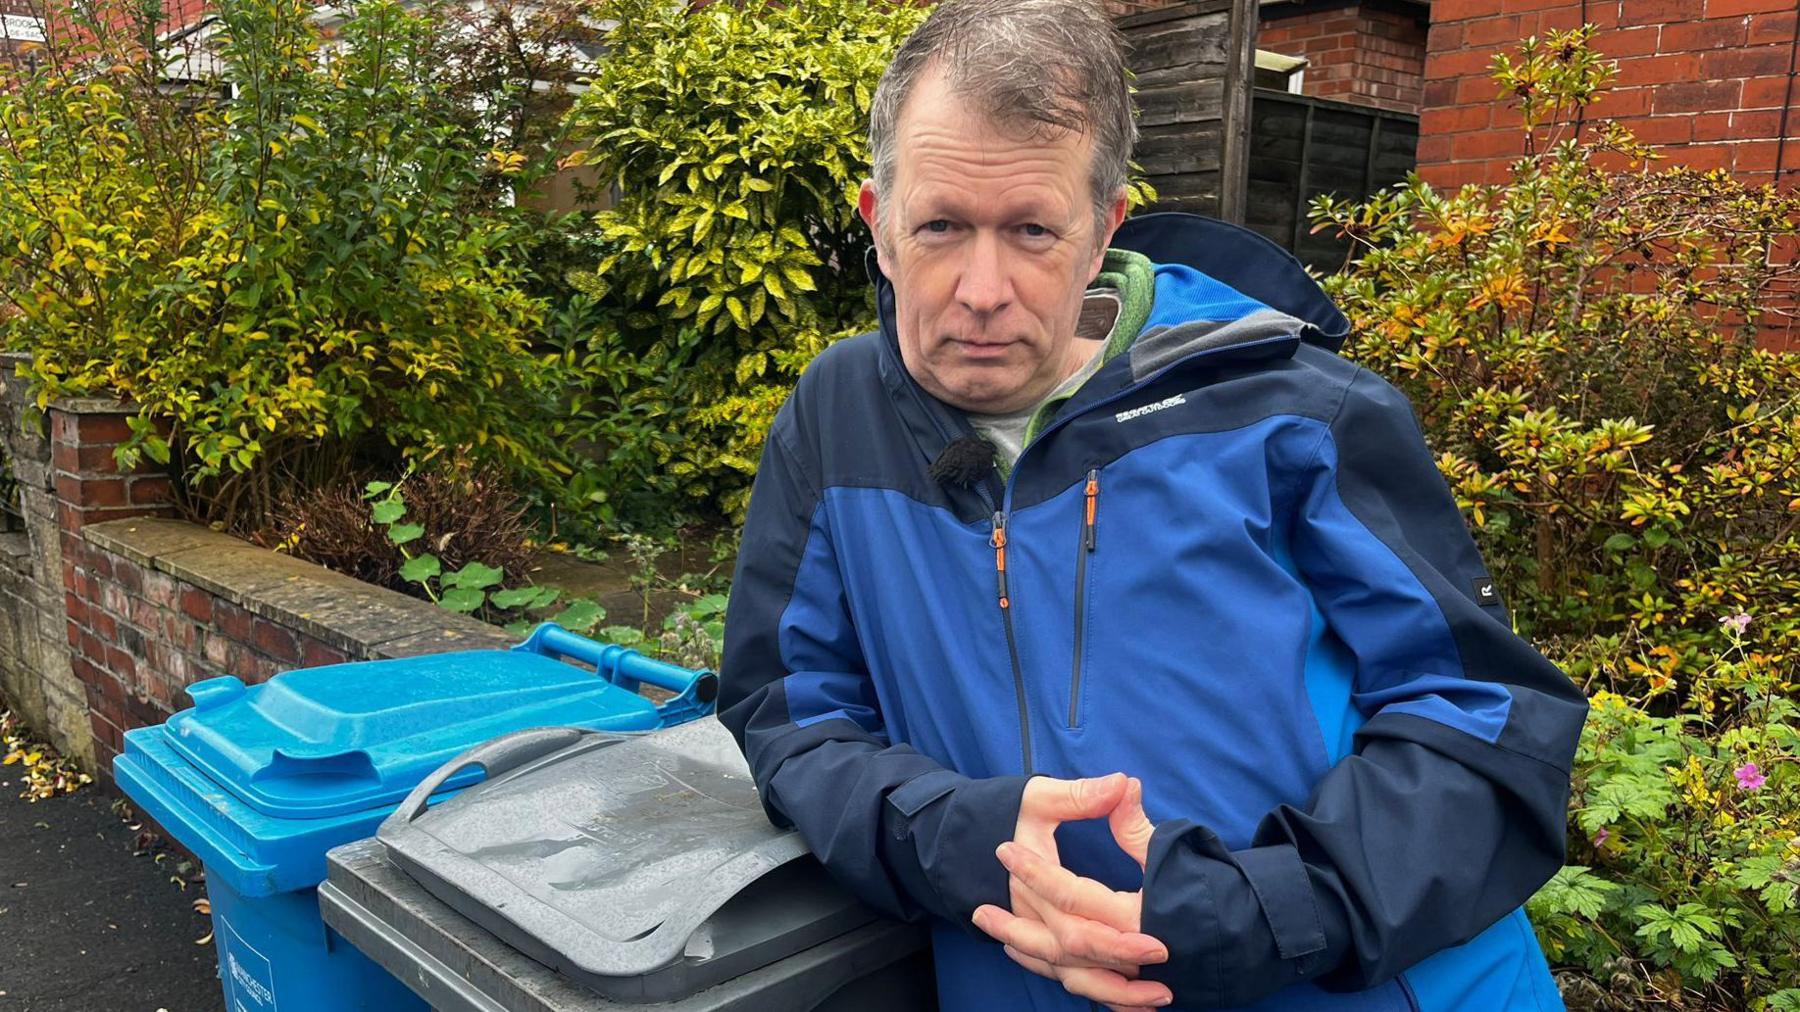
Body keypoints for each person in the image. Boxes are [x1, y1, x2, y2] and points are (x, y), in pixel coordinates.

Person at [718, 0, 1589, 1008]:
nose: (982, 288)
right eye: (942, 226)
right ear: (880, 226)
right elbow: (790, 711)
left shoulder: (1298, 413)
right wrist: (949, 835)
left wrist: (1268, 906)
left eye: (1033, 230)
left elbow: (1486, 725)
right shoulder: (836, 419)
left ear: (1103, 230)